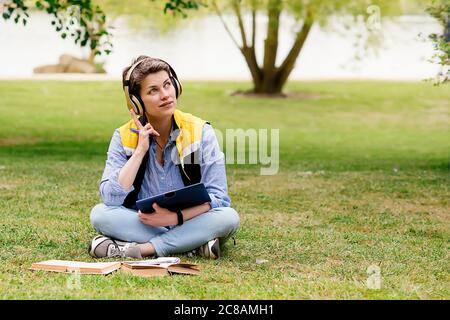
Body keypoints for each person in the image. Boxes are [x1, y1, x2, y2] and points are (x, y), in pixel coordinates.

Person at [88, 56, 240, 260]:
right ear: (137, 102)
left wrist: (175, 217)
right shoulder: (123, 136)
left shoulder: (200, 131)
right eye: (153, 90)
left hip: (191, 219)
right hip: (143, 222)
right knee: (100, 214)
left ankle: (144, 249)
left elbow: (219, 198)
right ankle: (191, 244)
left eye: (167, 85)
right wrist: (140, 150)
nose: (166, 95)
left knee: (228, 218)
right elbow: (111, 198)